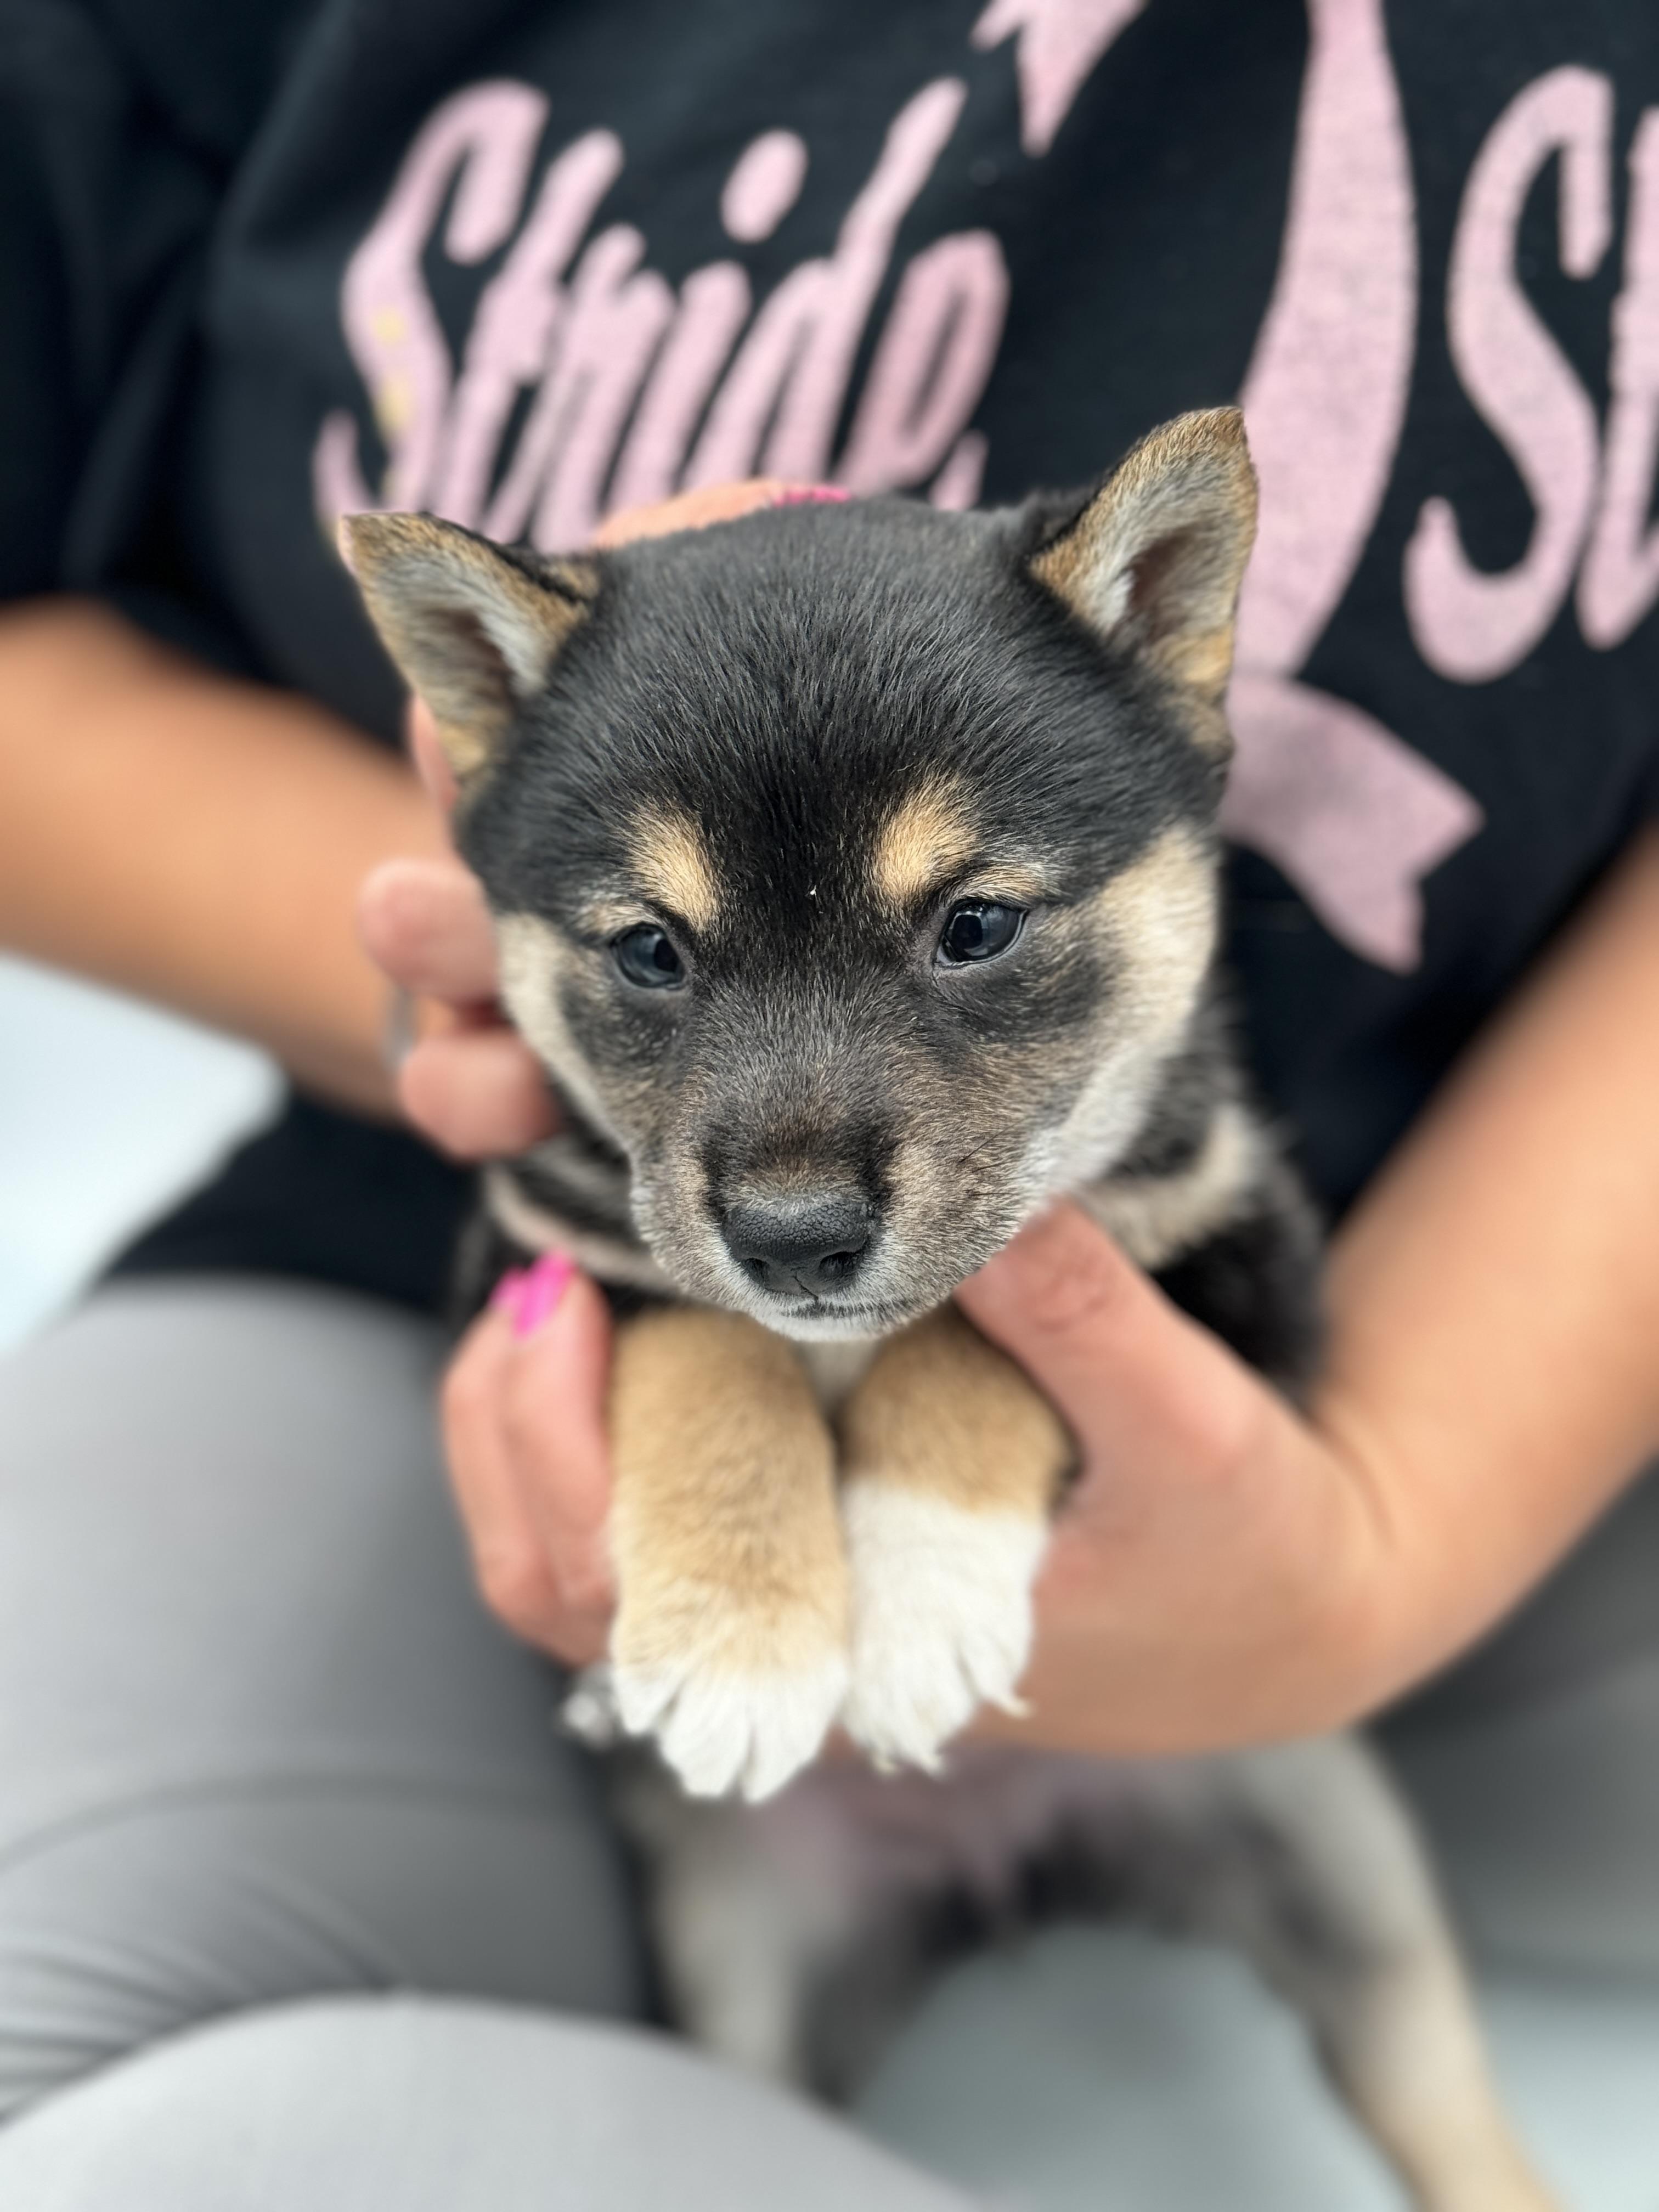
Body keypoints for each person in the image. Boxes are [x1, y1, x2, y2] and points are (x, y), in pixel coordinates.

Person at [2, 2, 1657, 2204]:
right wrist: (457, 1004)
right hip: (383, 1248)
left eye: (969, 931)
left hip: (1519, 1289)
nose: (793, 1170)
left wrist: (1388, 1548)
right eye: (657, 956)